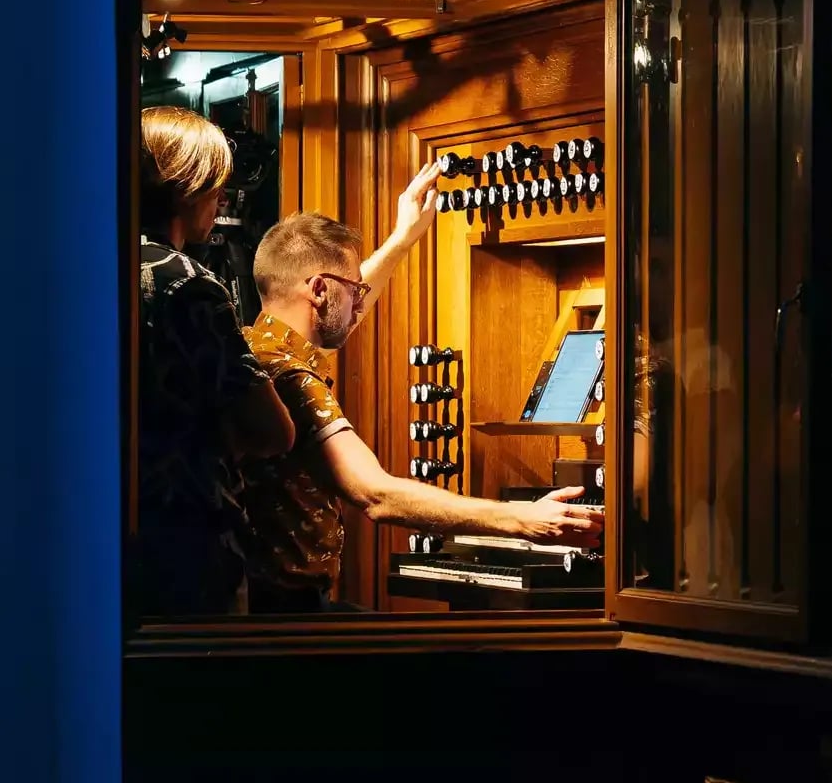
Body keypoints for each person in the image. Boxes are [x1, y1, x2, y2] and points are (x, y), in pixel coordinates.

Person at [236, 189, 598, 613]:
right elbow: (375, 494)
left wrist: (402, 238)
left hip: (267, 599)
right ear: (318, 290)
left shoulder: (255, 345)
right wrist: (522, 520)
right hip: (286, 613)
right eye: (356, 289)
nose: (359, 304)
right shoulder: (291, 375)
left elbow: (340, 308)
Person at [132, 106, 295, 618]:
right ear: (186, 187)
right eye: (215, 184)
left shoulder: (93, 262)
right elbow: (272, 430)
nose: (222, 199)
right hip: (185, 543)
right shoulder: (190, 285)